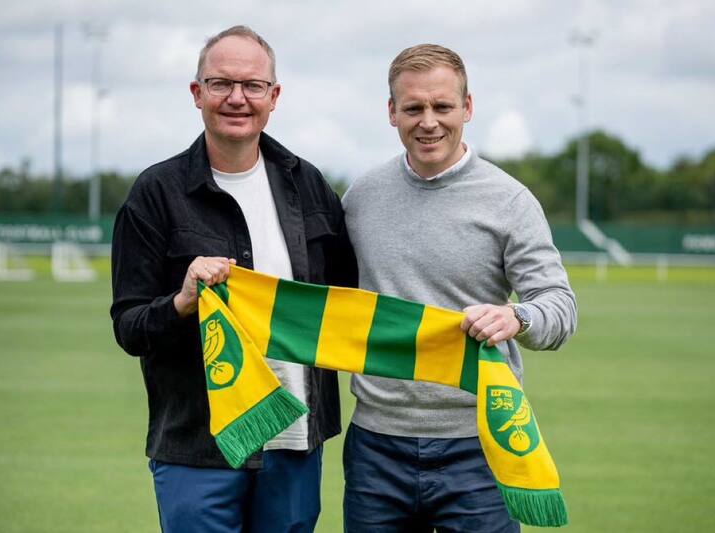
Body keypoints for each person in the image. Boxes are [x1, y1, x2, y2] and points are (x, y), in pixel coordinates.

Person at [110, 25, 356, 533]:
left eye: (253, 86)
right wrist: (181, 301)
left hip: (293, 440)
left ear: (275, 96)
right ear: (196, 93)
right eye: (221, 84)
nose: (237, 98)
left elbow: (348, 301)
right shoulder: (155, 193)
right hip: (197, 445)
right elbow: (129, 326)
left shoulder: (308, 184)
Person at [341, 44, 577, 532]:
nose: (428, 122)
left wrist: (519, 317)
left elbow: (560, 307)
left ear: (467, 108)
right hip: (375, 447)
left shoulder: (510, 200)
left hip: (480, 446)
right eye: (413, 108)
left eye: (442, 106)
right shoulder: (360, 198)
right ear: (392, 113)